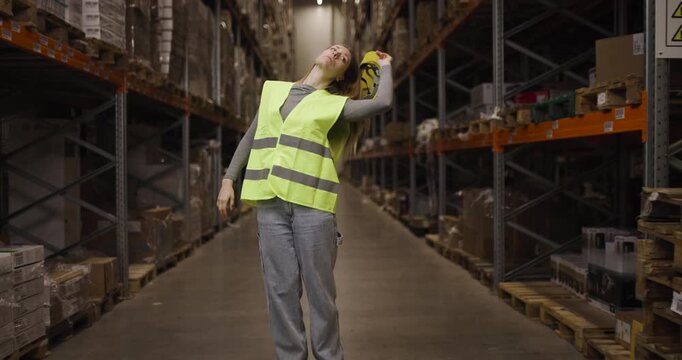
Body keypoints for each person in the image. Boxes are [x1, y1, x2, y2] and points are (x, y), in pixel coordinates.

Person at [217, 45, 393, 360]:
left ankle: (329, 356)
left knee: (320, 294)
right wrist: (228, 179)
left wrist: (385, 66)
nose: (338, 53)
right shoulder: (273, 92)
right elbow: (251, 136)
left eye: (344, 59)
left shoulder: (335, 105)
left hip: (312, 208)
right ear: (318, 54)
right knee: (281, 292)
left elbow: (382, 101)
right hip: (270, 206)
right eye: (335, 49)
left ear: (341, 76)